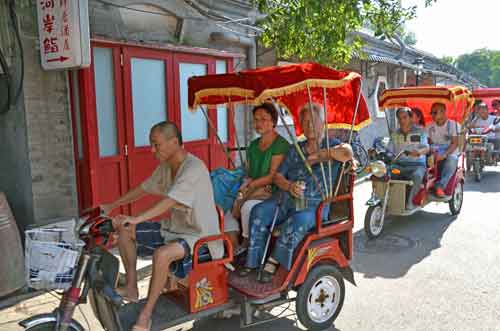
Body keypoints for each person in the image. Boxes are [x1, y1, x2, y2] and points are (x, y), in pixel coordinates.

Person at [101, 121, 222, 331]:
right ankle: (131, 287)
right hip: (174, 230)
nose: (152, 150)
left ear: (174, 142)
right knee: (124, 230)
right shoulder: (167, 167)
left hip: (201, 239)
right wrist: (113, 205)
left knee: (162, 254)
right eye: (151, 144)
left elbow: (170, 201)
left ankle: (146, 315)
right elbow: (143, 188)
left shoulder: (194, 168)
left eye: (156, 144)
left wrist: (137, 218)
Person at [240, 103, 353, 282]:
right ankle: (253, 261)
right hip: (286, 199)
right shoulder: (295, 149)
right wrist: (288, 186)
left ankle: (274, 260)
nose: (309, 126)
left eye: (313, 122)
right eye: (305, 122)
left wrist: (317, 156)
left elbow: (347, 153)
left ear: (322, 124)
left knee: (297, 220)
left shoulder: (334, 145)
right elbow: (277, 176)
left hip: (314, 206)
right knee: (258, 211)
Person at [224, 103, 289, 254]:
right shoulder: (253, 145)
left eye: (263, 119)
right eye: (256, 119)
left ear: (273, 121)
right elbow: (249, 171)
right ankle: (234, 247)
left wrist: (249, 187)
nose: (258, 123)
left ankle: (247, 243)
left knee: (247, 207)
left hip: (273, 191)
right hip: (254, 188)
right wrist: (244, 183)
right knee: (226, 208)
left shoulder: (281, 144)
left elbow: (273, 176)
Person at [388, 108, 429, 210]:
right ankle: (387, 200)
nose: (402, 121)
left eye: (405, 117)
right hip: (399, 167)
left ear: (411, 118)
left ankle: (410, 202)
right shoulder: (395, 134)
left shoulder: (420, 132)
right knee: (386, 173)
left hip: (416, 166)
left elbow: (426, 147)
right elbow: (389, 149)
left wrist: (419, 152)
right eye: (399, 118)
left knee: (417, 176)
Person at [425, 102, 459, 197]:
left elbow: (455, 143)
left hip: (449, 150)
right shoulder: (429, 126)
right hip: (434, 149)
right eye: (432, 112)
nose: (432, 115)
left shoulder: (453, 125)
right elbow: (427, 142)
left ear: (443, 112)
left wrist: (444, 154)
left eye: (435, 112)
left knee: (452, 159)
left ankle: (440, 185)